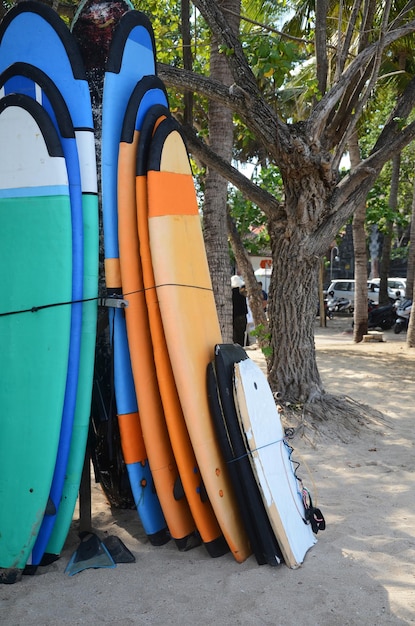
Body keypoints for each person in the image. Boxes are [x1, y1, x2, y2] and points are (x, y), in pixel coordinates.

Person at [231, 275, 248, 346]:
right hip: (241, 316)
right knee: (241, 334)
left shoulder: (230, 295)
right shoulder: (242, 296)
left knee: (235, 335)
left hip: (233, 316)